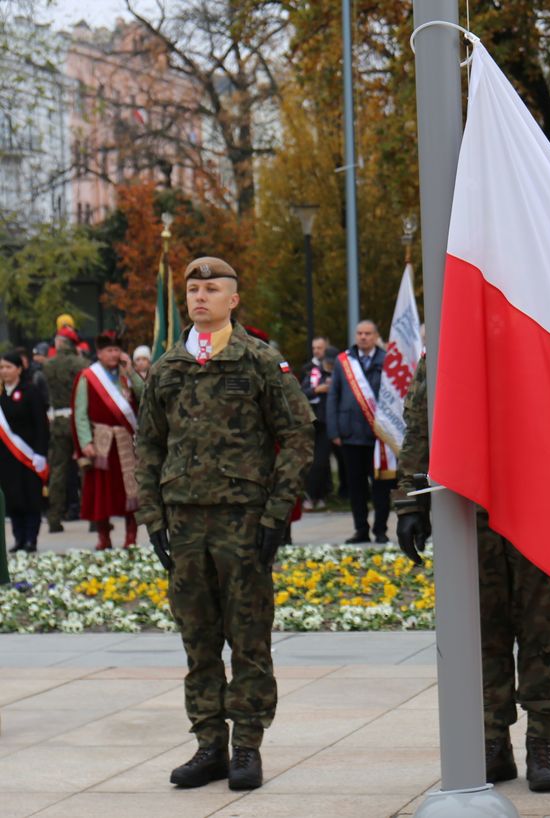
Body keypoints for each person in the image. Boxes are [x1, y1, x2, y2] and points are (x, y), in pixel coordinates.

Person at [135, 256, 314, 791]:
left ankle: (247, 747)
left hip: (242, 522)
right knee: (198, 640)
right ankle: (208, 745)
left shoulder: (259, 361)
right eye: (193, 288)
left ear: (233, 299)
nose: (200, 297)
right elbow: (148, 444)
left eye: (212, 288)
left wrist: (277, 513)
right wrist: (152, 516)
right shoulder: (168, 367)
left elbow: (299, 434)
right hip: (185, 524)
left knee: (249, 638)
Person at [394, 357, 550, 793]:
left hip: (541, 506)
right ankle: (494, 743)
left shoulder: (541, 333)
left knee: (541, 631)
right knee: (481, 633)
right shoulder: (446, 341)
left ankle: (540, 744)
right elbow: (420, 425)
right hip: (469, 509)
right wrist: (409, 503)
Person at [73, 331, 144, 550]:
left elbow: (145, 397)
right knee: (100, 493)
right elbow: (80, 413)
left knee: (130, 490)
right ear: (100, 353)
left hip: (125, 441)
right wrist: (86, 442)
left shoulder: (126, 376)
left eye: (117, 350)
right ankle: (104, 536)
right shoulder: (88, 376)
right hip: (102, 442)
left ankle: (131, 536)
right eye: (109, 350)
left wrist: (131, 372)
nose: (114, 354)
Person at [327, 321, 395, 543]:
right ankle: (361, 529)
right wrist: (334, 429)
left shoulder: (386, 360)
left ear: (376, 336)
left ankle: (381, 530)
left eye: (368, 334)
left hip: (378, 437)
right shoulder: (343, 362)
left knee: (381, 487)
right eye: (360, 333)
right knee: (356, 487)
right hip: (350, 435)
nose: (363, 337)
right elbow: (333, 395)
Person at [0, 351, 48, 553]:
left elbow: (41, 425)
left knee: (30, 497)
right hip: (6, 457)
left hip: (28, 456)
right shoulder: (1, 393)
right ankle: (18, 538)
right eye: (1, 367)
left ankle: (31, 539)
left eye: (8, 367)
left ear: (19, 369)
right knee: (12, 498)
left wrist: (40, 453)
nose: (4, 371)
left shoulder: (30, 391)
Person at [42, 331, 89, 532]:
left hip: (59, 421)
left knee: (58, 471)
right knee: (86, 469)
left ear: (61, 343)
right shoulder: (81, 364)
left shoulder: (48, 365)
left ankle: (54, 518)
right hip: (80, 421)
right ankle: (94, 519)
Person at [300, 336, 333, 509]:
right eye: (314, 348)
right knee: (311, 460)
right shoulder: (307, 369)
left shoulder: (332, 367)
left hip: (326, 419)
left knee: (322, 461)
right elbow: (301, 392)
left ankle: (320, 494)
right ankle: (312, 495)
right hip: (311, 420)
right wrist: (316, 390)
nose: (316, 351)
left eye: (320, 348)